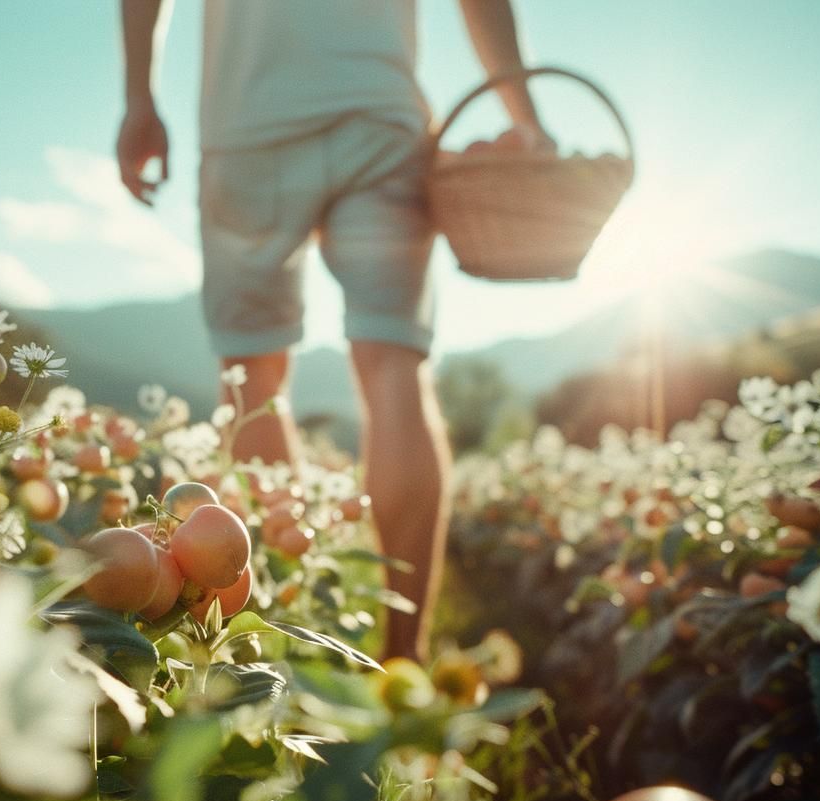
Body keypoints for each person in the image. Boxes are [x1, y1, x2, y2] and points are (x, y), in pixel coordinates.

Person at [115, 0, 552, 662]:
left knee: (253, 376)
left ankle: (282, 642)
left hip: (248, 122)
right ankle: (404, 664)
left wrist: (139, 98)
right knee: (394, 365)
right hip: (379, 118)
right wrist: (526, 116)